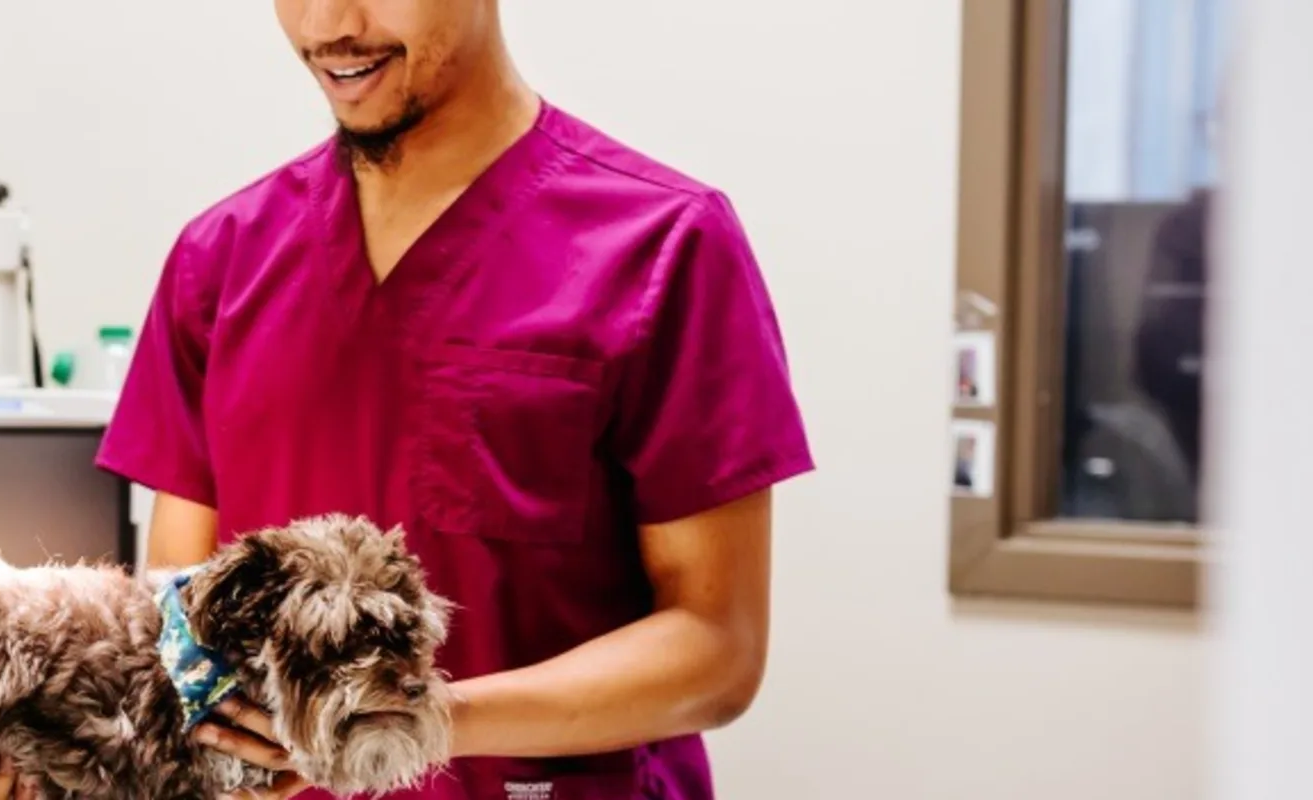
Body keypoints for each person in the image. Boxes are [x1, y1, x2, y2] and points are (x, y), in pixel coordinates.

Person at [96, 2, 814, 798]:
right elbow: (177, 627)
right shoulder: (220, 261)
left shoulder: (664, 245)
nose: (328, 23)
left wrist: (412, 718)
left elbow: (717, 648)